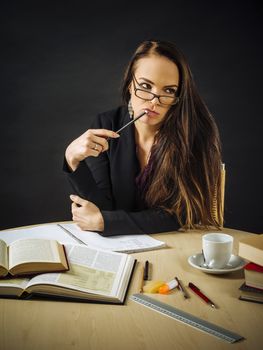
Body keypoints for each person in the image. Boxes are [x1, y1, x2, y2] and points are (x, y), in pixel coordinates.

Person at [64, 40, 223, 236]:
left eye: (169, 91)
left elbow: (182, 214)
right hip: (122, 247)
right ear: (130, 84)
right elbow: (102, 207)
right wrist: (72, 161)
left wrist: (106, 222)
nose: (154, 101)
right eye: (146, 86)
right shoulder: (106, 123)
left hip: (178, 244)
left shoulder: (193, 134)